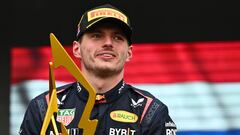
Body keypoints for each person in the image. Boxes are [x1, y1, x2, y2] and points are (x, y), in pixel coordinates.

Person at [19, 4, 177, 135]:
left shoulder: (151, 111)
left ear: (129, 53)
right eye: (96, 35)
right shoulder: (43, 107)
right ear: (76, 49)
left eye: (117, 37)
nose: (108, 43)